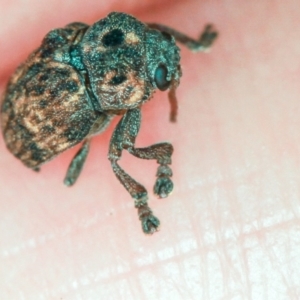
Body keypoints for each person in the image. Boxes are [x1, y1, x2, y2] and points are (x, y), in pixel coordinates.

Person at [0, 1, 299, 298]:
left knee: (149, 39)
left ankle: (193, 47)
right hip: (28, 139)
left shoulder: (79, 39)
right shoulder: (95, 89)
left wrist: (188, 44)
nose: (165, 61)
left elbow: (150, 35)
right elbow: (119, 148)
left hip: (22, 96)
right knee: (118, 152)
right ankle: (137, 196)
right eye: (160, 76)